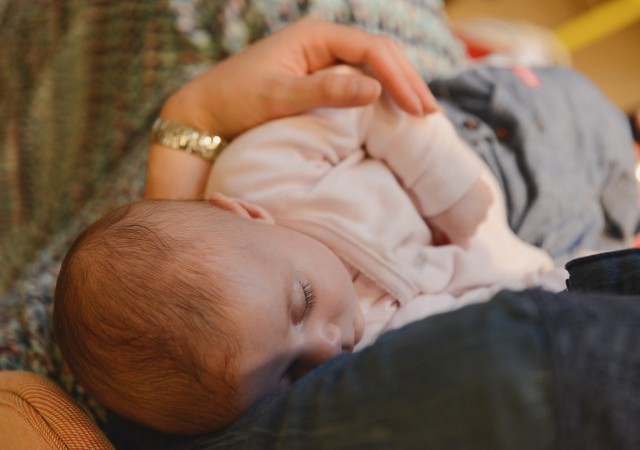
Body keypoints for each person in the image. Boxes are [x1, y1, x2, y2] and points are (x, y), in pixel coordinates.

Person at [53, 16, 640, 447]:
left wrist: (452, 193)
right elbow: (497, 305)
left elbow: (363, 104)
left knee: (599, 119)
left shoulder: (263, 173)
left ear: (245, 214)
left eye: (302, 301)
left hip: (500, 139)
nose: (325, 344)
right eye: (284, 377)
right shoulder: (369, 351)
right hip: (552, 237)